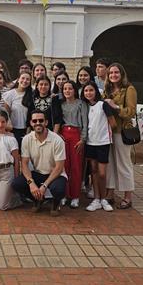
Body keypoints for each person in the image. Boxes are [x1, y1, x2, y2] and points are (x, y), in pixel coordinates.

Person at [12, 110, 68, 216]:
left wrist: (44, 186)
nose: (38, 123)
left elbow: (59, 167)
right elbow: (24, 164)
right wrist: (31, 183)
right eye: (35, 121)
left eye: (41, 120)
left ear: (46, 122)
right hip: (38, 173)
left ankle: (56, 203)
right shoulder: (27, 139)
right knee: (17, 184)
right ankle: (38, 200)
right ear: (31, 123)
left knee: (58, 189)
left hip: (55, 174)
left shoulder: (57, 140)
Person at [103, 62, 136, 210]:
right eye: (111, 73)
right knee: (110, 164)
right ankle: (110, 193)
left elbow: (131, 111)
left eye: (116, 72)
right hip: (108, 132)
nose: (113, 75)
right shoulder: (107, 89)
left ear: (121, 74)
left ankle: (128, 196)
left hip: (122, 132)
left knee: (123, 163)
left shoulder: (129, 89)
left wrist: (115, 106)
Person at [52, 80, 88, 209]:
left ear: (75, 90)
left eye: (70, 88)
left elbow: (85, 122)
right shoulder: (61, 104)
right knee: (64, 166)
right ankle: (64, 195)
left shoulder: (81, 104)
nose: (67, 91)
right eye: (65, 89)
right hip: (63, 135)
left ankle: (75, 196)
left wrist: (83, 139)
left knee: (76, 167)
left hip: (76, 135)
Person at [80, 81, 115, 212]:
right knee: (93, 171)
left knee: (102, 173)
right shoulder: (85, 107)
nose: (88, 93)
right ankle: (96, 199)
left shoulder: (103, 105)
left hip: (103, 143)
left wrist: (104, 133)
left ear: (96, 91)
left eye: (91, 90)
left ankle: (104, 199)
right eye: (86, 91)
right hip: (90, 143)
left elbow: (113, 123)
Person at [2, 71, 33, 147]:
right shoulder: (10, 94)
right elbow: (6, 113)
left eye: (27, 79)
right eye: (23, 78)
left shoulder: (32, 94)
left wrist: (28, 131)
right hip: (12, 129)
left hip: (27, 129)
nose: (25, 81)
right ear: (18, 79)